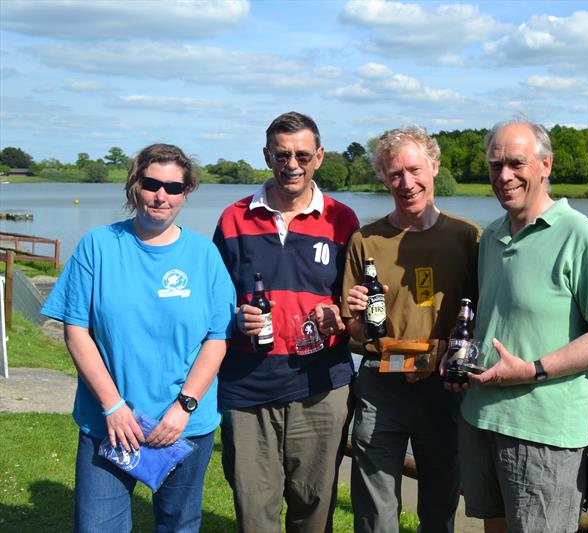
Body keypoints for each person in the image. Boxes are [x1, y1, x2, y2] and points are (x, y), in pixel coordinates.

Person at [40, 143, 236, 532]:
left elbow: (218, 336)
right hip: (109, 423)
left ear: (186, 193)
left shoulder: (204, 256)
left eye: (174, 187)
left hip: (183, 426)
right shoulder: (98, 246)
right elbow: (76, 329)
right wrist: (113, 406)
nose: (161, 195)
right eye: (151, 183)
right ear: (134, 185)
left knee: (178, 525)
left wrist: (185, 406)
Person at [452, 120, 588, 533]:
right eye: (495, 165)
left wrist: (532, 368)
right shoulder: (493, 236)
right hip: (481, 419)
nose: (504, 176)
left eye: (517, 163)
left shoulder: (582, 236)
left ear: (546, 165)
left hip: (543, 433)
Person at [213, 111, 359, 533]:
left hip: (321, 385)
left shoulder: (343, 220)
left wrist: (341, 316)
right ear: (266, 156)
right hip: (246, 385)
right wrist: (234, 318)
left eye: (302, 155)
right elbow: (213, 301)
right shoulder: (233, 218)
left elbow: (360, 302)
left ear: (319, 158)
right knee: (254, 509)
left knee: (314, 508)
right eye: (281, 155)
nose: (291, 164)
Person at [342, 125, 480, 533]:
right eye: (395, 173)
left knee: (439, 506)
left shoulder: (468, 237)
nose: (407, 183)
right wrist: (358, 318)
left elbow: (484, 315)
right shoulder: (365, 240)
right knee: (374, 509)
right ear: (383, 177)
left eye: (415, 170)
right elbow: (352, 331)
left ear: (434, 167)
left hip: (444, 387)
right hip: (380, 383)